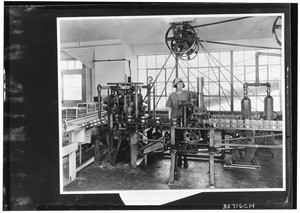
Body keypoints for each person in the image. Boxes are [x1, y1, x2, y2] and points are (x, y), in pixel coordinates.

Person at [166, 78, 197, 168]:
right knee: (176, 140)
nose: (180, 85)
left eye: (181, 84)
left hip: (185, 119)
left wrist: (194, 102)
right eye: (179, 84)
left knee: (184, 139)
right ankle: (178, 159)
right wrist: (169, 119)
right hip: (175, 120)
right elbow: (169, 107)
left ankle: (185, 159)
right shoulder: (172, 95)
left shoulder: (187, 93)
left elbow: (196, 96)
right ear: (175, 85)